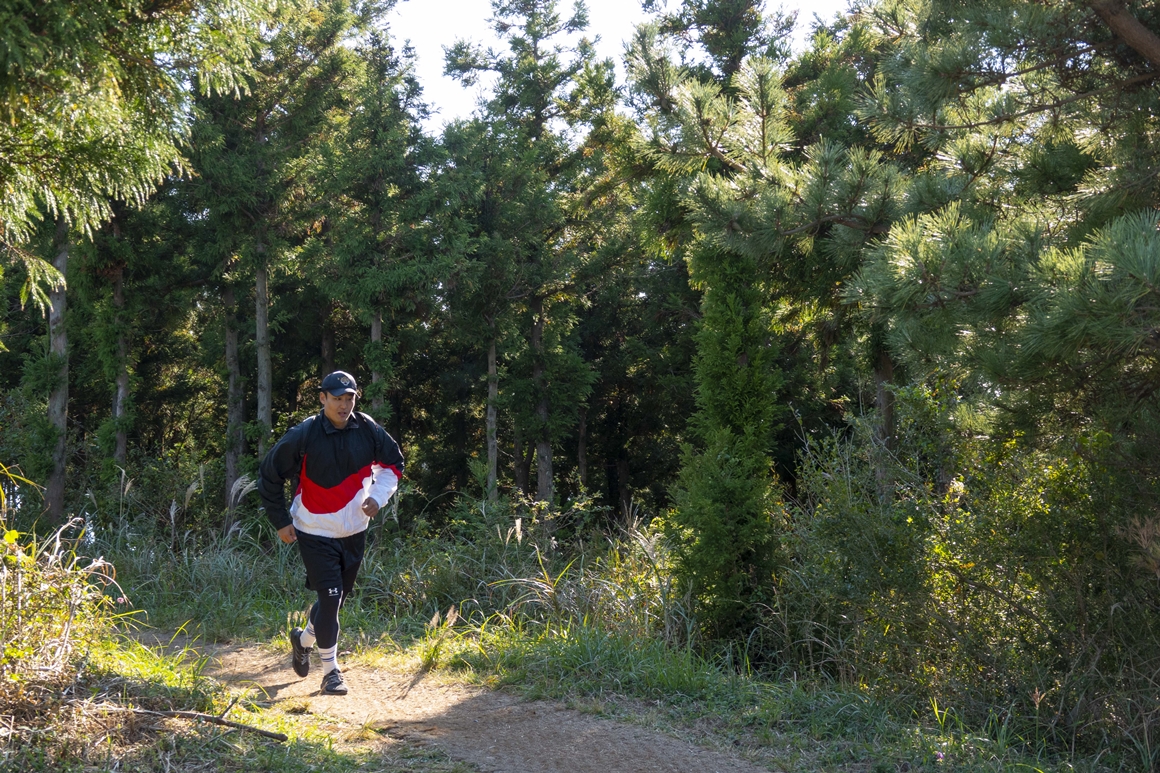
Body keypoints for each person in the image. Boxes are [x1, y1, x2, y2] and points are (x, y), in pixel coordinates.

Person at [258, 370, 404, 695]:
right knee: (330, 595)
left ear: (356, 398)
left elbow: (394, 465)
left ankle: (303, 639)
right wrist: (281, 520)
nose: (343, 404)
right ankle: (331, 672)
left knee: (336, 601)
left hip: (354, 529)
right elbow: (269, 475)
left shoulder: (367, 429)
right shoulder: (304, 434)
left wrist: (377, 498)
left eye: (349, 397)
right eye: (337, 398)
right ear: (322, 398)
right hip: (313, 530)